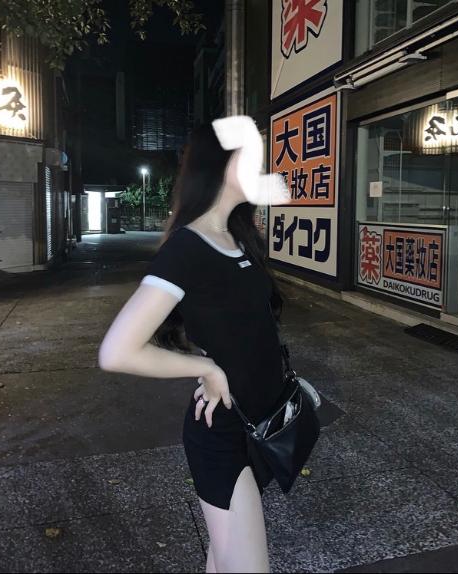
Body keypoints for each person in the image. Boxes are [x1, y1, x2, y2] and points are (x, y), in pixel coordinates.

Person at [99, 117, 289, 573]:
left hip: (262, 425)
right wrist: (205, 368)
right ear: (219, 163)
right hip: (223, 434)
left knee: (225, 558)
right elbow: (117, 351)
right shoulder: (188, 248)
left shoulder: (239, 238)